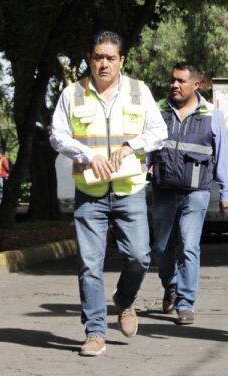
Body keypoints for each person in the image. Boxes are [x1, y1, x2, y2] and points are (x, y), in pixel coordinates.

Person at [50, 30, 167, 357]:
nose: (104, 63)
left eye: (110, 58)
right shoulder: (72, 94)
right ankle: (95, 332)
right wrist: (89, 156)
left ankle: (125, 300)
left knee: (140, 257)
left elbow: (159, 131)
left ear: (121, 61)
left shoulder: (138, 91)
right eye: (98, 57)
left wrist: (131, 146)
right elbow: (57, 136)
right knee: (89, 264)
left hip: (130, 190)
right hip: (90, 192)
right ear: (90, 58)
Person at [148, 62, 228, 325]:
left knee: (189, 245)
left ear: (196, 85)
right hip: (163, 190)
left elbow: (221, 155)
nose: (174, 85)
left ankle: (186, 303)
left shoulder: (210, 114)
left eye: (181, 81)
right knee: (161, 248)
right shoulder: (158, 110)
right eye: (172, 80)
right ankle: (171, 285)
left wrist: (226, 191)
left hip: (196, 192)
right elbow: (148, 147)